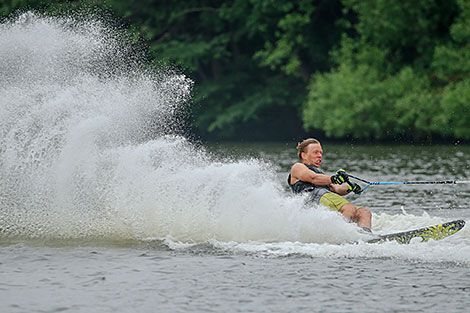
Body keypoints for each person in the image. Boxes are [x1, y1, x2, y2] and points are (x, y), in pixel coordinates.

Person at [288, 138, 372, 231]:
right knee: (349, 208)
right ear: (304, 155)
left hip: (324, 197)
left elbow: (338, 189)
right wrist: (333, 178)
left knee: (364, 212)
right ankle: (342, 235)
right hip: (311, 197)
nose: (320, 156)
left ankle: (366, 235)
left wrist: (350, 187)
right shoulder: (298, 167)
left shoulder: (322, 175)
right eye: (315, 152)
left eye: (321, 153)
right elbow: (313, 178)